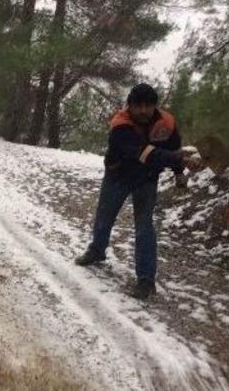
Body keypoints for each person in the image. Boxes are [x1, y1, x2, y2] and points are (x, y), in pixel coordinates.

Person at [74, 83, 200, 299]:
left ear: (155, 106)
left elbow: (173, 147)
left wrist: (180, 171)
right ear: (129, 106)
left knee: (144, 226)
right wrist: (179, 158)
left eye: (147, 106)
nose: (143, 110)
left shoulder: (166, 123)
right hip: (118, 176)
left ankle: (146, 280)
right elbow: (145, 153)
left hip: (147, 179)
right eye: (137, 106)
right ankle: (97, 251)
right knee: (104, 217)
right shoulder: (120, 125)